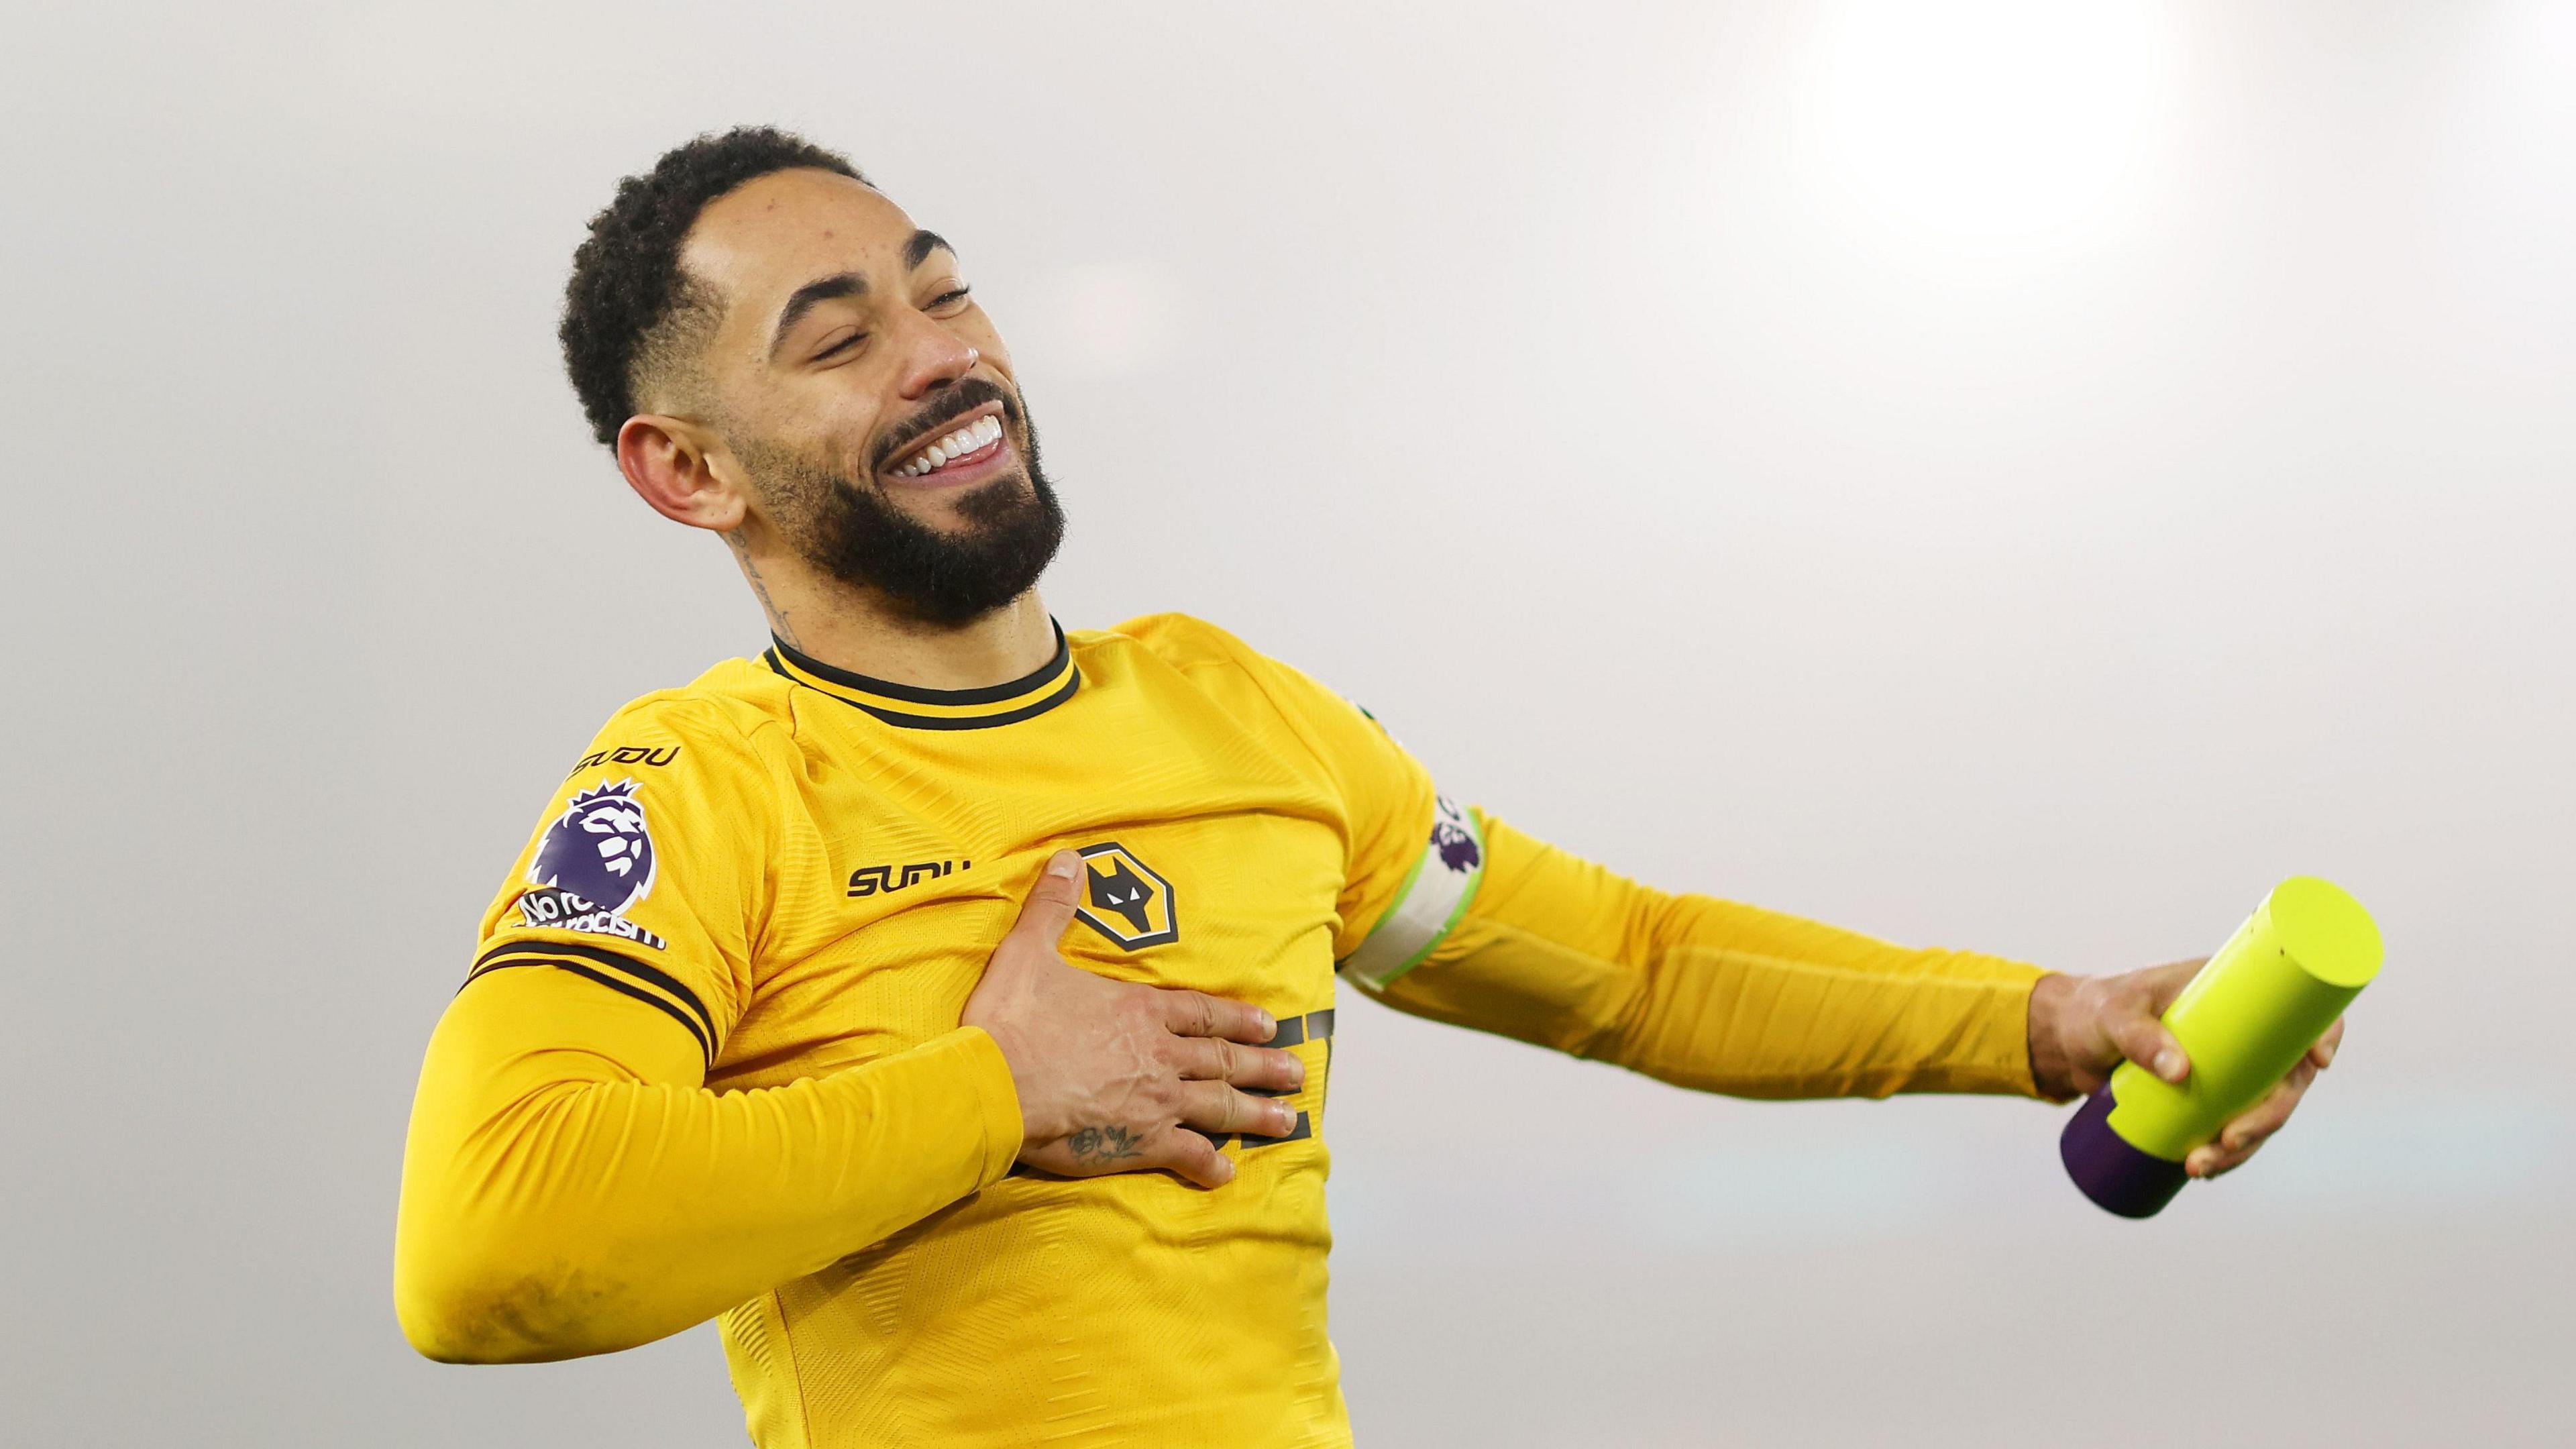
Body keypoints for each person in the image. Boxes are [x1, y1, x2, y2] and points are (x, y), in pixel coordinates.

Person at [393, 127, 2344, 1447]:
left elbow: (1633, 965)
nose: (944, 354)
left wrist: (2049, 1022)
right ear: (688, 471)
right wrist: (1001, 1091)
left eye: (942, 288)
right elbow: (488, 1253)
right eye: (842, 339)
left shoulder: (1238, 716)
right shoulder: (710, 785)